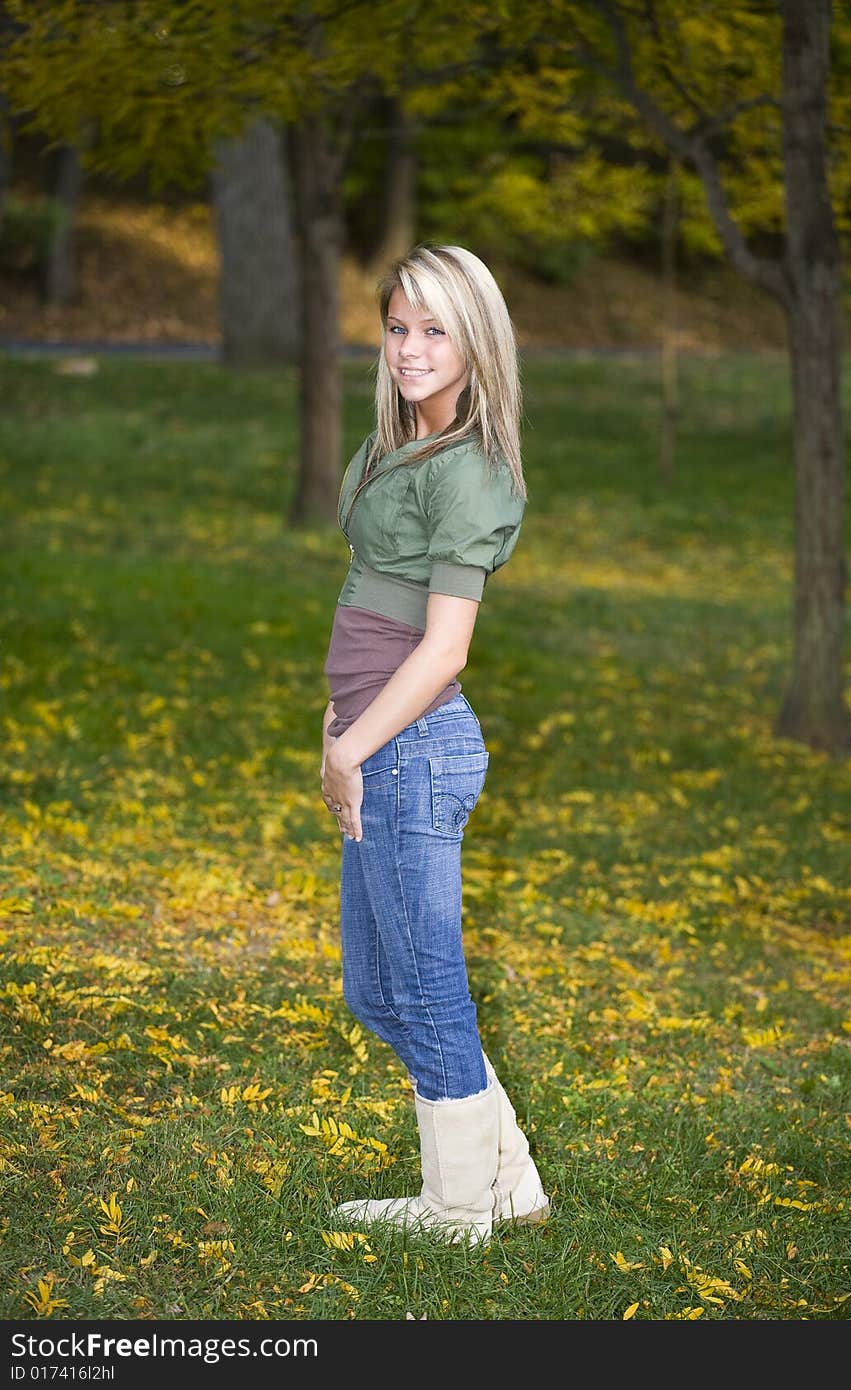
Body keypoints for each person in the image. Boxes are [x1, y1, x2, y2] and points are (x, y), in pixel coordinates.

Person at [319, 243, 549, 1245]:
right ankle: (509, 1183)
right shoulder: (393, 443)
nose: (410, 349)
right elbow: (375, 605)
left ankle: (456, 1210)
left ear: (475, 339)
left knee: (421, 984)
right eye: (398, 326)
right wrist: (338, 725)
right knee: (378, 987)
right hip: (376, 739)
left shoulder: (471, 470)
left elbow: (446, 647)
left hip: (413, 751)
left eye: (435, 329)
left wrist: (352, 746)